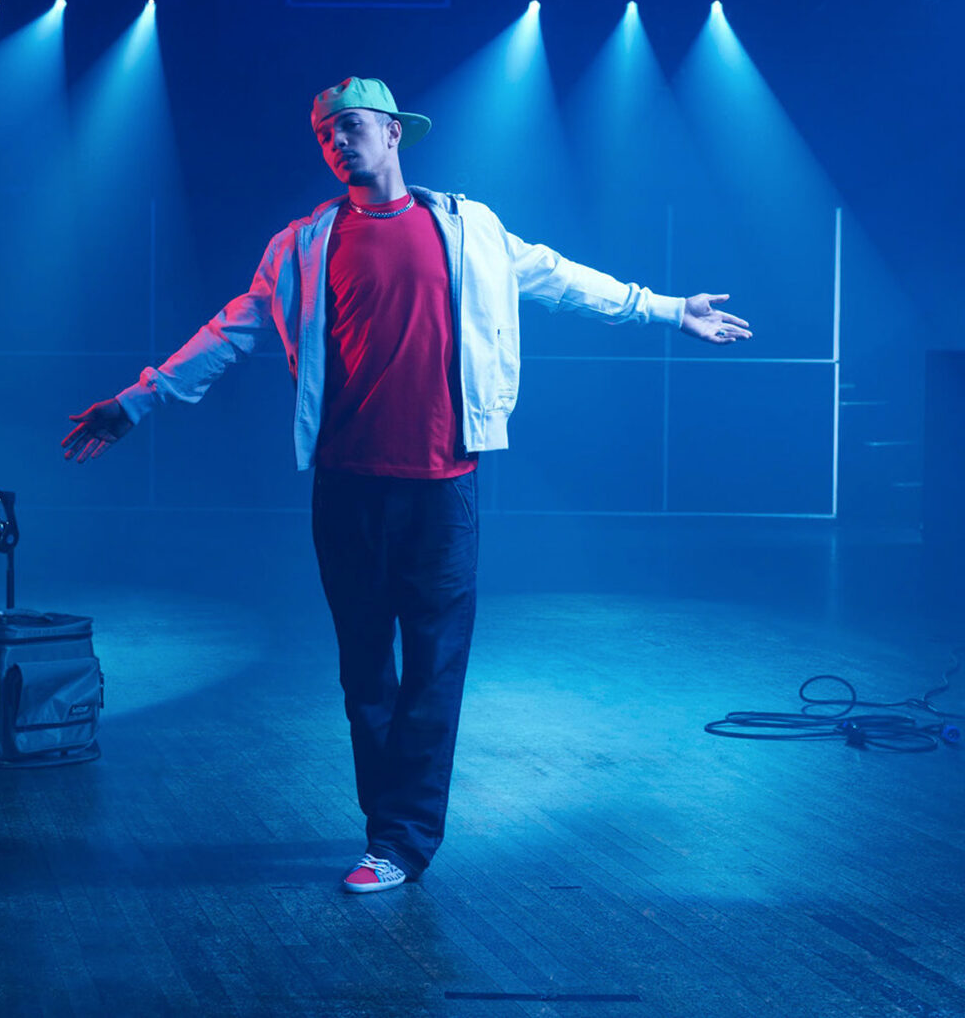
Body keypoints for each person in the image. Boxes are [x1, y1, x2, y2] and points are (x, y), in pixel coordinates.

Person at [61, 77, 752, 895]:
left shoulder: (469, 228)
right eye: (323, 133)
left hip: (444, 488)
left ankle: (400, 839)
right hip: (347, 489)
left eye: (350, 127)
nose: (335, 143)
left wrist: (670, 310)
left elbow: (564, 279)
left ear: (393, 133)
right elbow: (231, 331)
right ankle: (388, 822)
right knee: (365, 670)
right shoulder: (304, 246)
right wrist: (135, 403)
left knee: (433, 666)